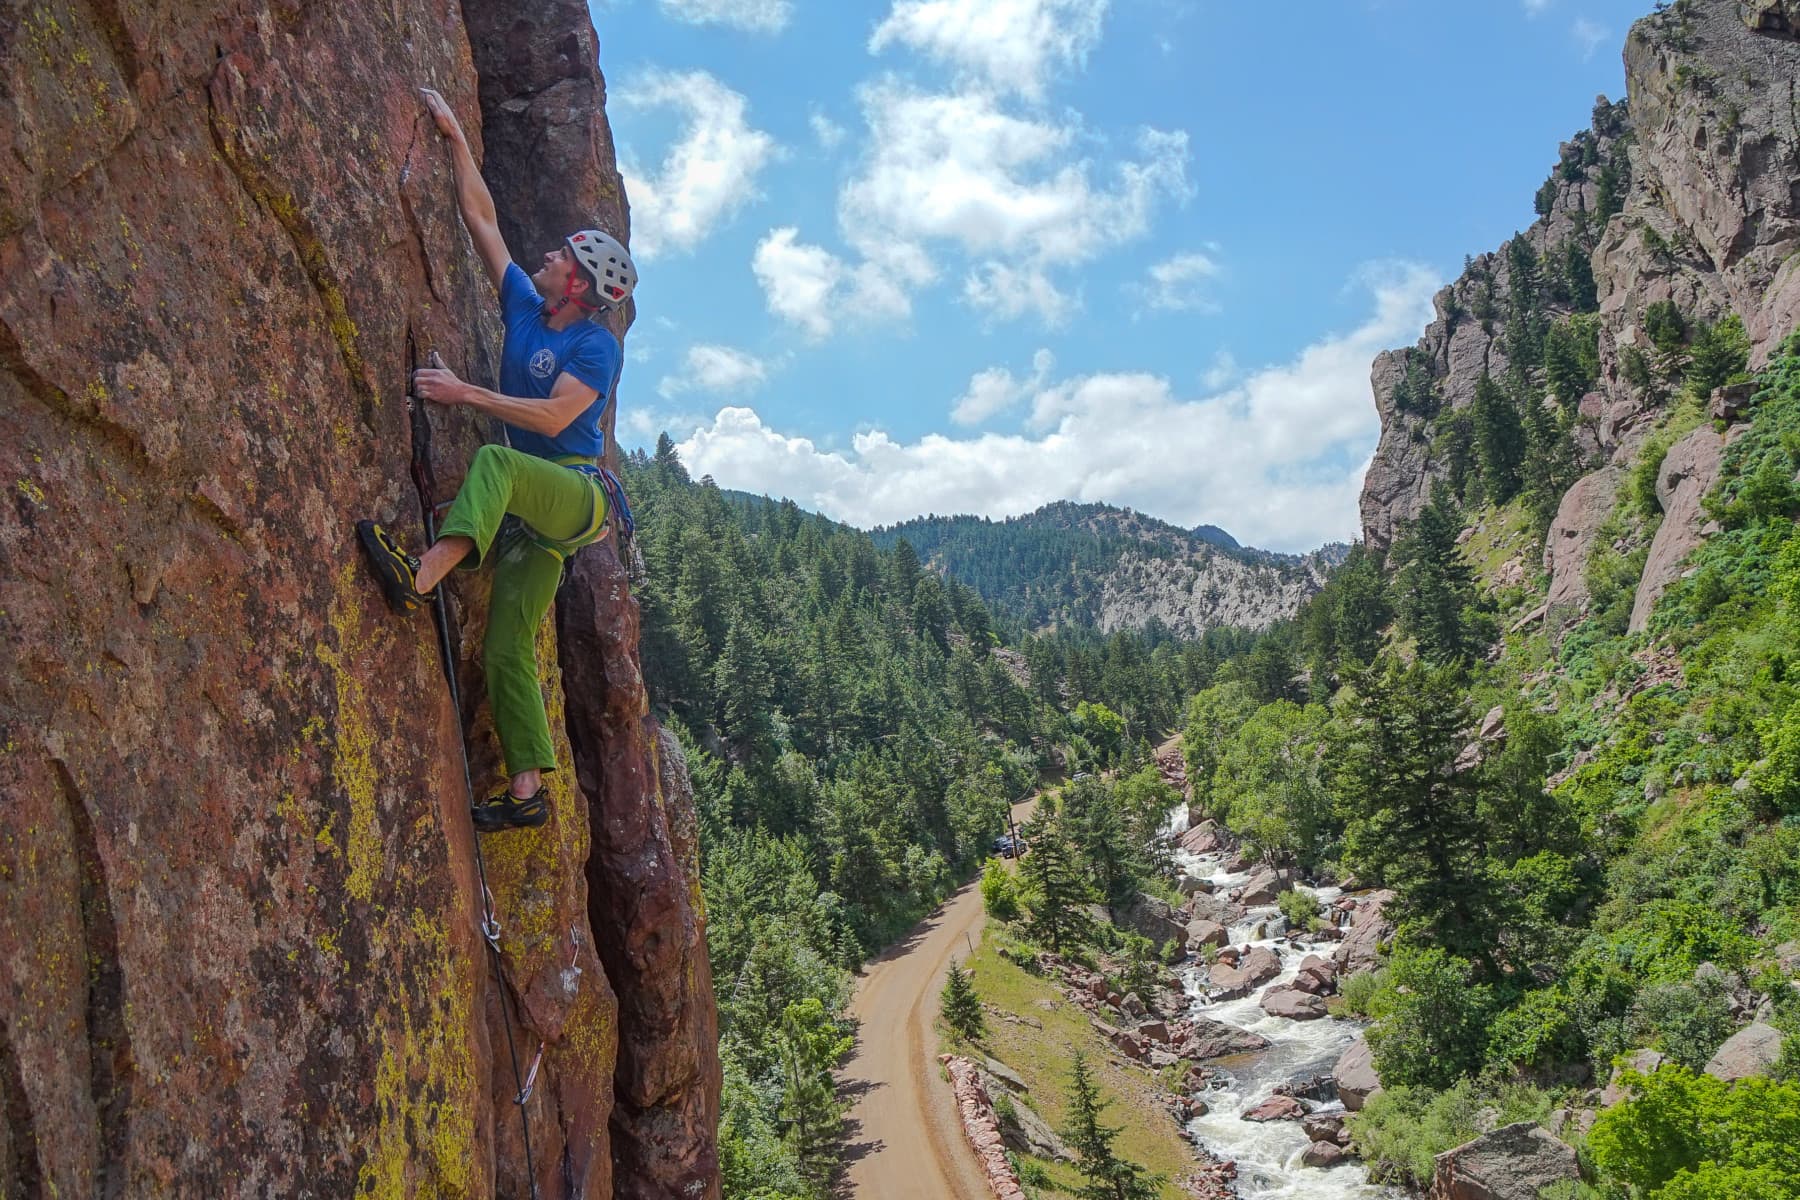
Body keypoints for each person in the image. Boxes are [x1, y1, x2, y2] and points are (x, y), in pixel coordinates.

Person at [356, 86, 636, 833]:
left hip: (579, 497)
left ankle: (418, 579)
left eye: (562, 257)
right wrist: (454, 138)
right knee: (507, 645)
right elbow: (481, 219)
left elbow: (552, 417)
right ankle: (525, 795)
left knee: (498, 465)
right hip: (541, 523)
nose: (546, 256)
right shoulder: (525, 304)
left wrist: (461, 393)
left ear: (578, 286)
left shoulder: (594, 345)